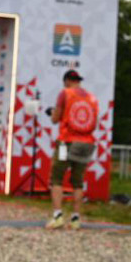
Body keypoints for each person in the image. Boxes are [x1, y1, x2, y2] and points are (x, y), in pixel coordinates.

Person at [45, 69, 97, 229]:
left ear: (67, 80)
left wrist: (52, 113)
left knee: (57, 178)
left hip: (66, 142)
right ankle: (76, 219)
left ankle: (57, 216)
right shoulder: (91, 98)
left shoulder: (65, 93)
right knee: (78, 181)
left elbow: (56, 119)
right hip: (87, 142)